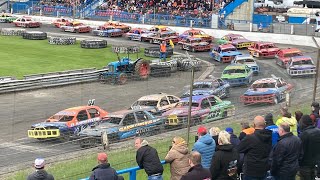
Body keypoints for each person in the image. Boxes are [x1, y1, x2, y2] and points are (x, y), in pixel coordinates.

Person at [237, 116, 272, 180]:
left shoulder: (250, 138)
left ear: (254, 125)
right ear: (265, 124)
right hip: (264, 168)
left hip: (251, 171)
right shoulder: (269, 135)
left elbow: (239, 148)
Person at [299, 115, 320, 180]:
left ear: (303, 123)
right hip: (316, 160)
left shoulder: (304, 134)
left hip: (305, 163)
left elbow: (301, 150)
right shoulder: (318, 131)